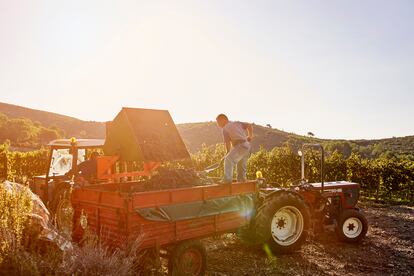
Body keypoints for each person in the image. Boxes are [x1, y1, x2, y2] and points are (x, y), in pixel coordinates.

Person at [216, 114, 253, 183]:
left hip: (240, 146)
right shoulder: (237, 123)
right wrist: (250, 136)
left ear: (223, 120)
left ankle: (227, 180)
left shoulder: (225, 128)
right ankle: (242, 183)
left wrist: (227, 154)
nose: (218, 125)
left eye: (218, 122)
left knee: (228, 159)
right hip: (247, 146)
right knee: (241, 166)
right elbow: (249, 125)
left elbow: (227, 143)